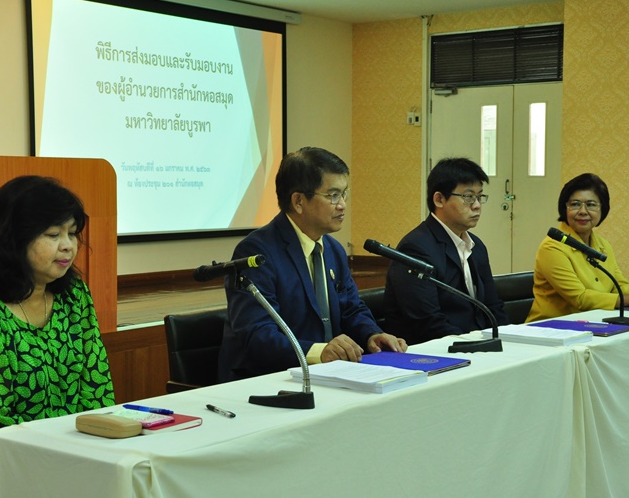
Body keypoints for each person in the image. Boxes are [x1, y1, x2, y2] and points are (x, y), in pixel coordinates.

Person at [0, 176, 115, 497]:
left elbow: (96, 387)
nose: (68, 245)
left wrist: (91, 449)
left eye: (72, 233)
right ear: (14, 239)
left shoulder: (74, 296)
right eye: (53, 234)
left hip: (65, 457)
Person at [218, 147, 407, 382]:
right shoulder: (257, 252)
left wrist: (372, 335)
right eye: (333, 195)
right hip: (267, 380)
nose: (342, 205)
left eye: (344, 194)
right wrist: (318, 352)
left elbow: (351, 309)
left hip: (327, 375)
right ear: (298, 201)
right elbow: (258, 335)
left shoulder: (333, 250)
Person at [526, 173, 629, 322]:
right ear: (564, 208)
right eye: (575, 204)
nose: (583, 211)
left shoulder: (603, 245)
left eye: (591, 205)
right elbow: (580, 299)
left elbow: (619, 285)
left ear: (602, 210)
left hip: (592, 322)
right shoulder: (552, 247)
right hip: (551, 329)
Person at [383, 157, 509, 345]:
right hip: (434, 351)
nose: (477, 205)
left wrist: (509, 340)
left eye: (480, 197)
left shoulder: (477, 246)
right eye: (468, 197)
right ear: (439, 199)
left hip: (475, 345)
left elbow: (493, 306)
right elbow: (428, 322)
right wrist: (475, 346)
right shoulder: (416, 248)